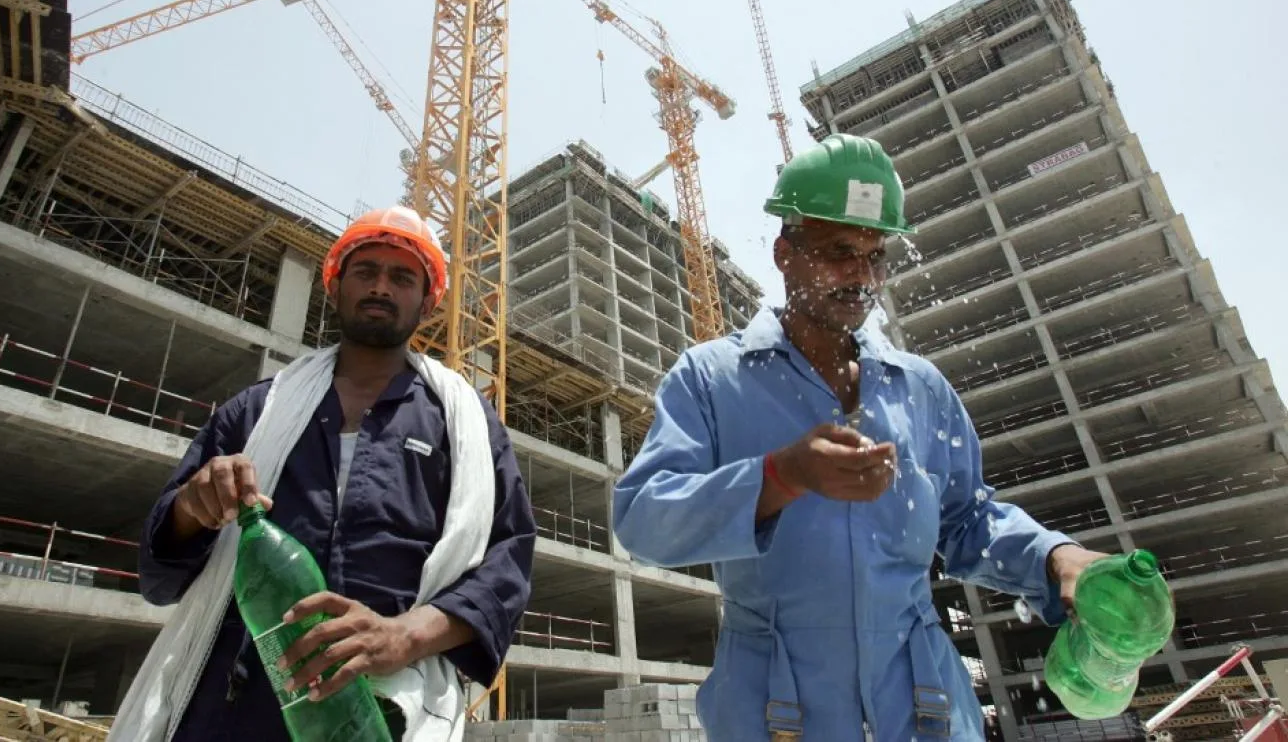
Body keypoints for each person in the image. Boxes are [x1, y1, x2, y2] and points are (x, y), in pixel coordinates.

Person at [611, 134, 1106, 742]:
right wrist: (778, 477)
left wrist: (1056, 558)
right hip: (774, 714)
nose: (862, 276)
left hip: (927, 711)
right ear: (784, 253)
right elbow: (641, 520)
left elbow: (969, 522)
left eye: (876, 256)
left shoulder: (919, 387)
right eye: (839, 251)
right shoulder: (712, 378)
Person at [121, 206, 536, 741]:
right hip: (230, 707)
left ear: (427, 301)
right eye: (366, 271)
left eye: (402, 276)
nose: (381, 287)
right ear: (335, 287)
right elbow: (161, 576)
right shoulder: (255, 413)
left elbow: (506, 566)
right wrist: (189, 509)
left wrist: (404, 636)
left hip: (383, 711)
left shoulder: (465, 425)